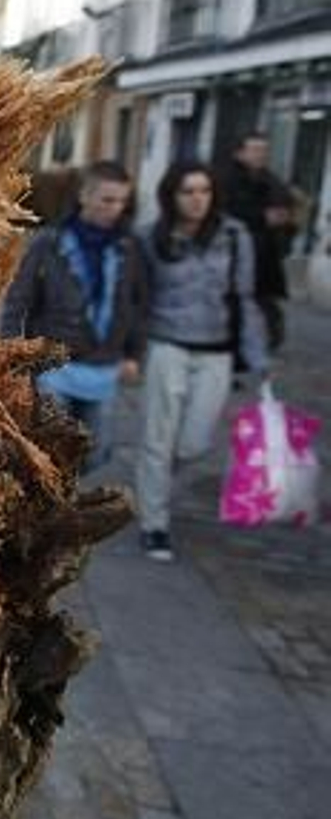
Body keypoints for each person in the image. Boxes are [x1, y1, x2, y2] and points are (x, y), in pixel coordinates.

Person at [135, 161, 268, 563]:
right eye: (188, 191)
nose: (197, 199)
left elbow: (245, 297)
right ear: (171, 196)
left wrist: (258, 355)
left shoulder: (233, 235)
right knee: (158, 439)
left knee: (194, 443)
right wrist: (129, 350)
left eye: (204, 191)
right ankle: (153, 523)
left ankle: (151, 485)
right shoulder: (150, 237)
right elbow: (137, 296)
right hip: (165, 344)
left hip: (216, 351)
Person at [0, 161, 146, 472]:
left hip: (103, 365)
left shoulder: (129, 246)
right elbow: (17, 302)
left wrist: (134, 354)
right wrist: (10, 356)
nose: (115, 208)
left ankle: (63, 495)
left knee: (96, 453)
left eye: (122, 201)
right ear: (85, 196)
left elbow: (136, 303)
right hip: (55, 364)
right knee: (52, 446)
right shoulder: (48, 243)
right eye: (108, 200)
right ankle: (48, 508)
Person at [217, 133, 293, 351]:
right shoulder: (226, 179)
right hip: (234, 251)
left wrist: (285, 221)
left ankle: (261, 342)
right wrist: (262, 217)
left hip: (266, 254)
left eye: (264, 150)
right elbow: (225, 212)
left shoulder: (270, 179)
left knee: (263, 301)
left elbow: (284, 203)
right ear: (240, 152)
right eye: (255, 149)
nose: (261, 154)